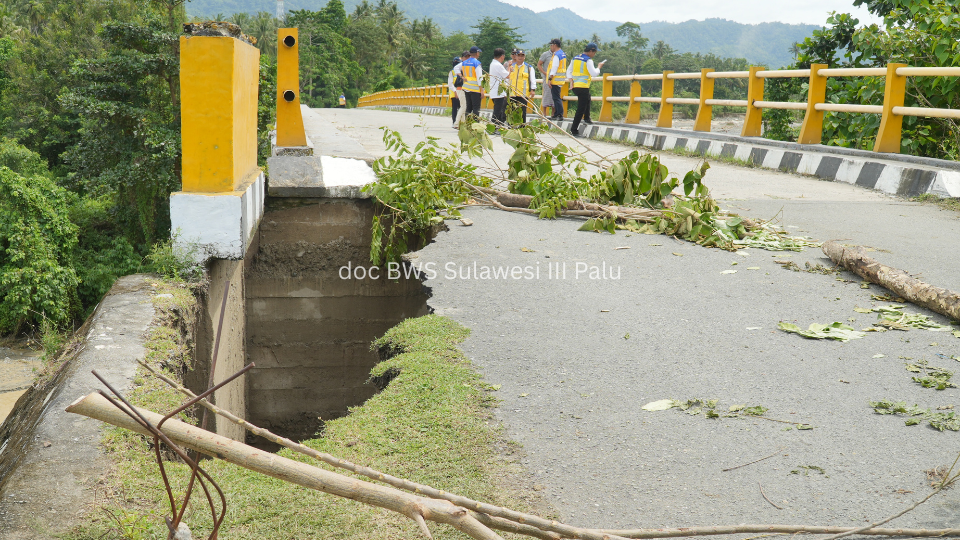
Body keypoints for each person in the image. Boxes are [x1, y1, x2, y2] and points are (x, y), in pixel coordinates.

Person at [567, 42, 606, 137]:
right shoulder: (588, 60)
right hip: (583, 86)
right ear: (591, 51)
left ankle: (587, 118)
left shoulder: (575, 58)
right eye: (595, 52)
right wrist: (599, 67)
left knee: (588, 98)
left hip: (575, 86)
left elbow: (568, 71)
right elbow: (594, 74)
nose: (594, 54)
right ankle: (574, 130)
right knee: (581, 108)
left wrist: (571, 81)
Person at [507, 49, 537, 126]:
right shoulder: (511, 67)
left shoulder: (529, 67)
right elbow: (508, 78)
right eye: (518, 56)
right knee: (511, 111)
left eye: (522, 56)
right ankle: (511, 127)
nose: (520, 57)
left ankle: (522, 127)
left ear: (524, 57)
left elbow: (532, 79)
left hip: (523, 94)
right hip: (512, 93)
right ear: (515, 57)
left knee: (522, 111)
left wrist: (533, 90)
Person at [456, 46, 485, 121]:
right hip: (475, 89)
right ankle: (475, 124)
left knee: (468, 108)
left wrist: (461, 76)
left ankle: (467, 124)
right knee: (476, 108)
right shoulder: (477, 63)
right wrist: (482, 90)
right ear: (477, 53)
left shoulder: (464, 62)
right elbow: (479, 78)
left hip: (466, 88)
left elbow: (456, 68)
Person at [488, 48, 510, 133]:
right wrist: (509, 68)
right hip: (498, 92)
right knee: (497, 111)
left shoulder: (493, 63)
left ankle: (496, 127)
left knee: (498, 111)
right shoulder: (498, 65)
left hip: (495, 91)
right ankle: (493, 128)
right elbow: (507, 75)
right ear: (502, 56)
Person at [546, 38, 567, 121]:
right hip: (560, 79)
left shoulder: (556, 55)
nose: (550, 47)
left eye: (551, 45)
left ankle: (559, 114)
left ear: (554, 45)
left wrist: (550, 79)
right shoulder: (562, 54)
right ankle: (556, 114)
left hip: (555, 79)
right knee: (556, 97)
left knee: (556, 98)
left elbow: (554, 68)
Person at [451, 51, 470, 128]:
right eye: (466, 57)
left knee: (463, 107)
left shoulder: (467, 66)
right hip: (460, 88)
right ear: (462, 58)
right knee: (463, 107)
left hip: (464, 88)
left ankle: (462, 124)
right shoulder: (462, 65)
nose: (467, 58)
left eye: (468, 56)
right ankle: (456, 123)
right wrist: (462, 77)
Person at [537, 46, 554, 118]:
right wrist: (544, 73)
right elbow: (539, 64)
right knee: (546, 95)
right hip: (546, 78)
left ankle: (553, 113)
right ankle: (544, 113)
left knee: (554, 96)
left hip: (555, 78)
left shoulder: (558, 55)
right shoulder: (545, 54)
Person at [448, 56, 462, 127]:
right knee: (455, 108)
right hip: (454, 93)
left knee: (461, 107)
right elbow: (450, 83)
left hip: (461, 92)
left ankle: (460, 122)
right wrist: (455, 91)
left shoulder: (462, 72)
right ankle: (454, 122)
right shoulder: (452, 72)